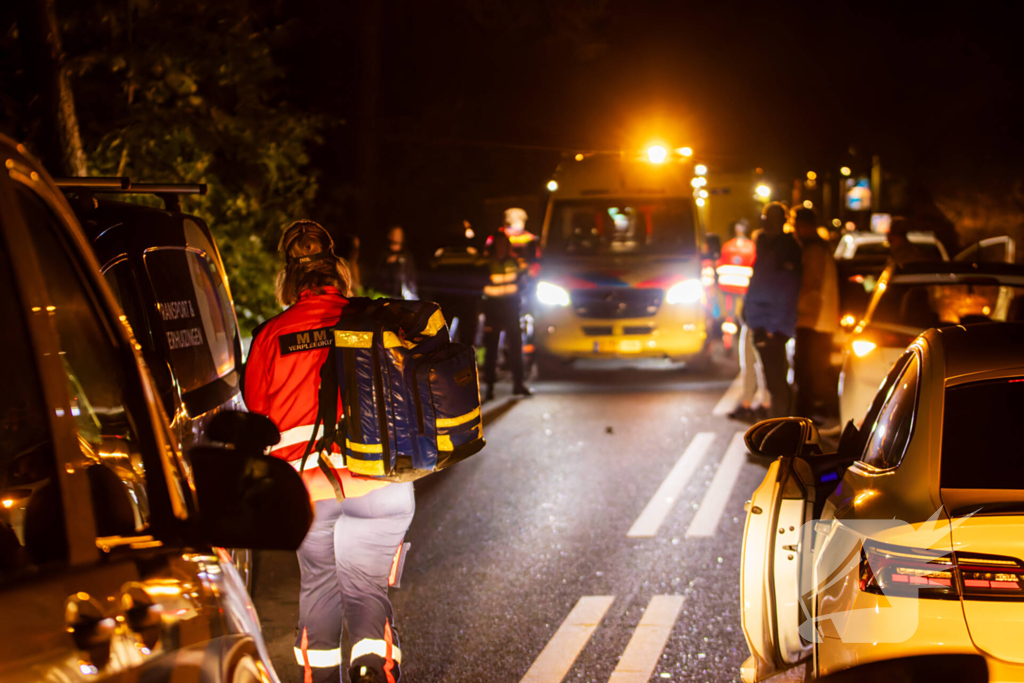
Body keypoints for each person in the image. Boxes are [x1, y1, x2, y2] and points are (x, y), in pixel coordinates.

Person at [244, 221, 414, 683]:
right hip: (380, 482)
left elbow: (256, 412)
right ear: (340, 276)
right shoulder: (373, 321)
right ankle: (372, 668)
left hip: (309, 490)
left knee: (319, 586)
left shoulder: (269, 336)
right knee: (365, 588)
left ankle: (322, 678)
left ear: (290, 282)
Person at [744, 202, 802, 418]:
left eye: (771, 218)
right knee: (772, 377)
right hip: (762, 322)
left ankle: (783, 423)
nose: (766, 222)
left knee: (777, 378)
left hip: (772, 325)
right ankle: (779, 422)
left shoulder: (786, 247)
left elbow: (786, 290)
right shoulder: (766, 245)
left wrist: (772, 327)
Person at [793, 208, 839, 422]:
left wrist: (796, 310)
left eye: (797, 225)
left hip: (814, 321)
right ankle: (826, 412)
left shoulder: (813, 251)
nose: (795, 230)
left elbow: (811, 287)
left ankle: (814, 415)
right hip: (822, 320)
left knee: (811, 372)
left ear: (805, 226)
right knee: (818, 370)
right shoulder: (821, 248)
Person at [482, 231, 530, 401]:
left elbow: (525, 283)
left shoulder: (516, 262)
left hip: (511, 309)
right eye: (499, 244)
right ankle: (489, 387)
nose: (502, 247)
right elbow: (480, 286)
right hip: (493, 310)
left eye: (504, 244)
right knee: (491, 350)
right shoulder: (486, 263)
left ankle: (518, 384)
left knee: (516, 348)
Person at [372, 226, 418, 299]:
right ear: (390, 236)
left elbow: (411, 275)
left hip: (403, 296)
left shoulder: (406, 255)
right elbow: (377, 273)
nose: (398, 236)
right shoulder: (384, 255)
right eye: (395, 234)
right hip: (386, 294)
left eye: (400, 234)